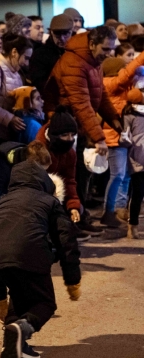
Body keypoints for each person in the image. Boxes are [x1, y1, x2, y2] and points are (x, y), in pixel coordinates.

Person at [0, 159, 81, 358]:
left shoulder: (2, 201)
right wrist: (72, 280)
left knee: (18, 295)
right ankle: (22, 328)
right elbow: (66, 241)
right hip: (30, 254)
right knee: (44, 303)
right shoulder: (49, 201)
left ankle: (15, 344)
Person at [44, 26, 121, 233]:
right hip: (65, 125)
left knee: (81, 173)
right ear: (92, 44)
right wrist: (99, 138)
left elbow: (100, 93)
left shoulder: (94, 60)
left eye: (111, 49)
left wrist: (113, 118)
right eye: (105, 48)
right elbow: (81, 103)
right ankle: (69, 222)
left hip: (77, 125)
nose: (109, 53)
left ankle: (80, 215)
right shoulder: (74, 63)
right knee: (69, 175)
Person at [100, 56, 144, 227]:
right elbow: (130, 73)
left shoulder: (123, 87)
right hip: (113, 136)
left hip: (122, 136)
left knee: (125, 176)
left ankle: (119, 209)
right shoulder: (110, 83)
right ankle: (108, 211)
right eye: (123, 68)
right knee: (117, 175)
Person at [35, 107, 91, 240]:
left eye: (73, 135)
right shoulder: (38, 150)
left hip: (57, 195)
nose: (69, 139)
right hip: (40, 196)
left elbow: (70, 180)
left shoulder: (70, 153)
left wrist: (73, 206)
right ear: (54, 135)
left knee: (79, 208)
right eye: (65, 135)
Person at [0, 33, 32, 158]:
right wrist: (9, 119)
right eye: (26, 58)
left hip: (6, 133)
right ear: (14, 52)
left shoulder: (14, 70)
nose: (27, 63)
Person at [28, 14, 73, 93]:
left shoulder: (77, 51)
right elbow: (40, 84)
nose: (62, 38)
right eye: (57, 34)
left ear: (71, 31)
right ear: (51, 32)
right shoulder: (40, 55)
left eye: (65, 33)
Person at [124, 91, 144, 239]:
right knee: (138, 193)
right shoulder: (129, 116)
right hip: (137, 159)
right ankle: (133, 225)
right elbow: (125, 137)